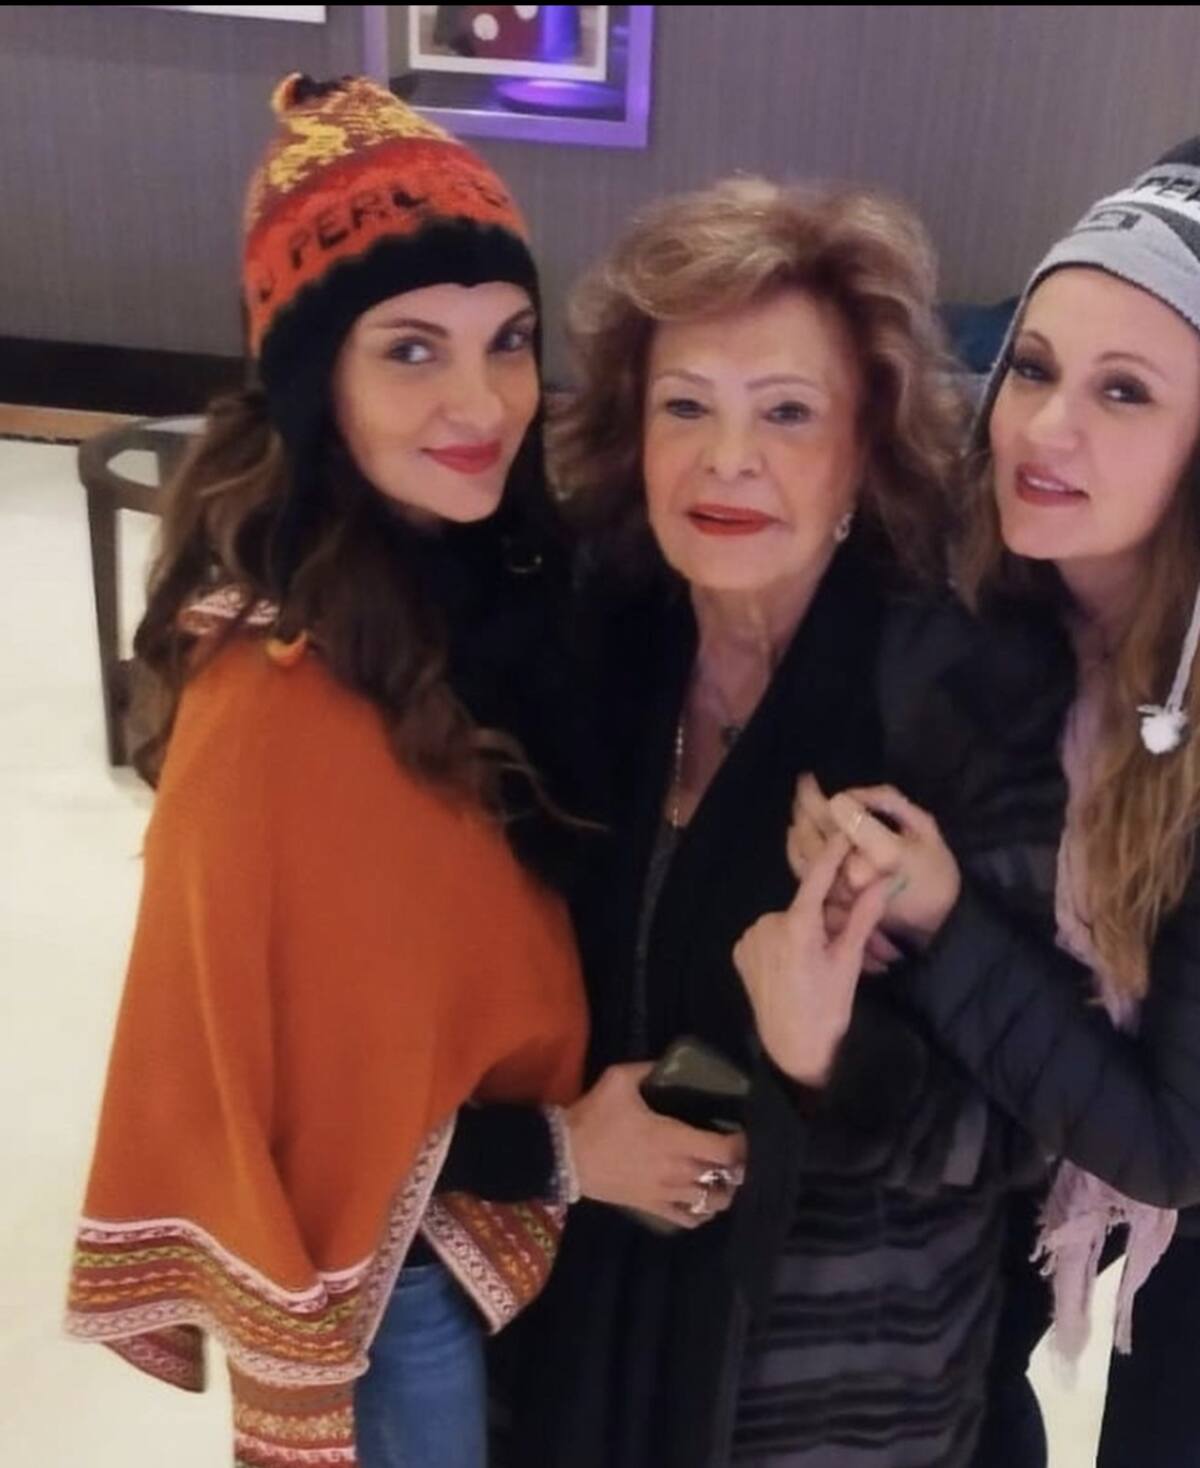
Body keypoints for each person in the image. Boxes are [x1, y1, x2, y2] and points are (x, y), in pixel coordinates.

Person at [65, 72, 610, 1468]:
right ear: (319, 382)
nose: (482, 401)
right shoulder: (275, 695)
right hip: (396, 1304)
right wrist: (567, 1153)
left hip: (516, 1263)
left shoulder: (489, 576)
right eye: (411, 350)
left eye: (509, 341)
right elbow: (300, 1101)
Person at [501, 175, 1070, 1468]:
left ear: (867, 446)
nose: (728, 459)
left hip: (837, 1388)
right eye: (685, 406)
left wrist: (827, 1062)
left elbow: (1030, 1131)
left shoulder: (968, 699)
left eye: (788, 412)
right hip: (584, 1344)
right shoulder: (595, 648)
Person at [789, 139, 1200, 1467]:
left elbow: (1167, 1146)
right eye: (1033, 368)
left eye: (1124, 391)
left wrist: (946, 918)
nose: (1046, 428)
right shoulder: (974, 599)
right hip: (991, 1216)